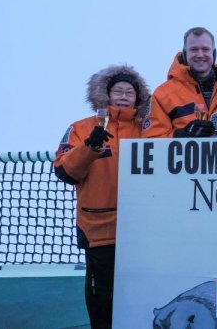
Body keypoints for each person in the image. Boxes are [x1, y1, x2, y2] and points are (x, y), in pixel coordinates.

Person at [53, 65, 150, 329]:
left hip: (141, 230)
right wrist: (90, 147)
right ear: (104, 94)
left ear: (138, 98)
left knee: (140, 295)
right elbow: (64, 171)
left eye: (129, 92)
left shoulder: (149, 129)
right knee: (101, 299)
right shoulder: (81, 128)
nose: (123, 96)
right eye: (117, 90)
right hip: (98, 229)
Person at [143, 27, 217, 138]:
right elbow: (150, 140)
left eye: (205, 49)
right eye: (194, 50)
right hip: (184, 155)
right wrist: (182, 135)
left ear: (214, 53)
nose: (200, 54)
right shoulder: (163, 94)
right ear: (185, 54)